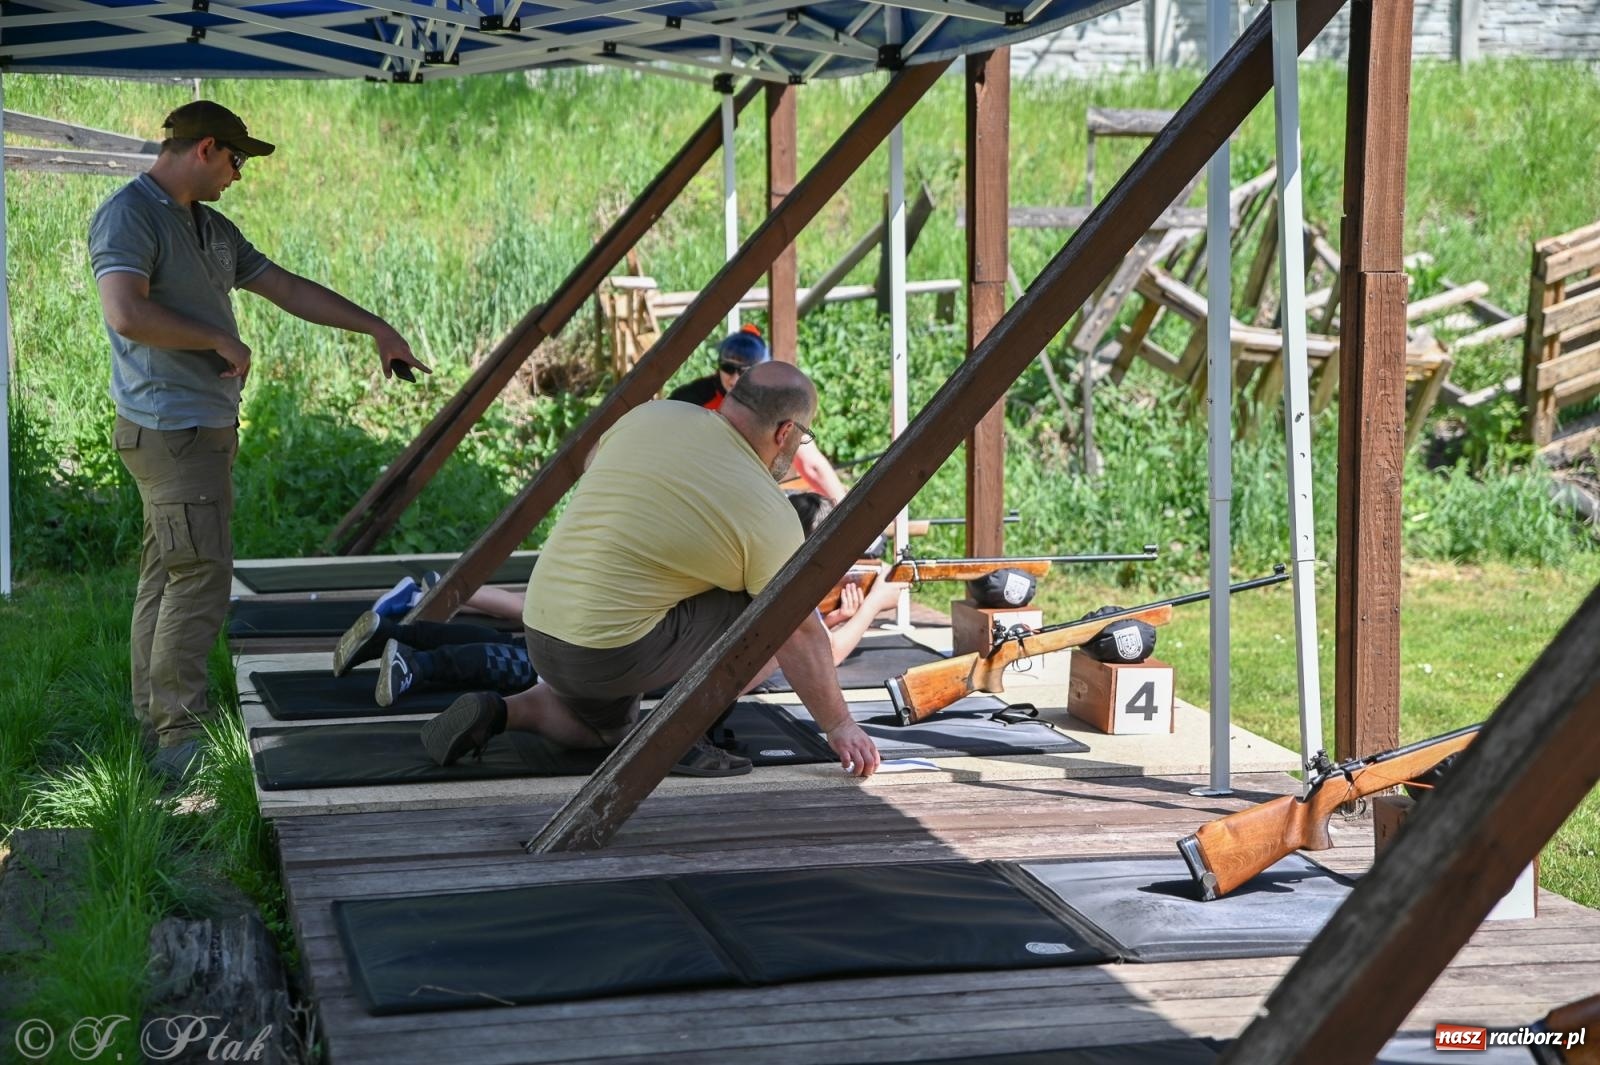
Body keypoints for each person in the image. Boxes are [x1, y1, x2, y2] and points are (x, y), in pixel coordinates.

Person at [90, 100, 431, 782]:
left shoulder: (210, 226)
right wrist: (219, 337)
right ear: (205, 148)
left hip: (197, 429)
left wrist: (376, 327)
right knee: (199, 578)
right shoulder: (129, 215)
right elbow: (126, 312)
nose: (240, 174)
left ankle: (154, 721)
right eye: (236, 159)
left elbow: (285, 287)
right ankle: (180, 742)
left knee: (170, 573)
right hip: (171, 429)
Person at [418, 362, 883, 778]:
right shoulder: (767, 510)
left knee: (603, 732)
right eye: (804, 437)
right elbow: (796, 630)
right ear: (785, 432)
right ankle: (681, 732)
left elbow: (594, 463)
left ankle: (501, 711)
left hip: (541, 630)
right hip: (609, 652)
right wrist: (839, 724)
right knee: (776, 603)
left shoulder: (651, 415)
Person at [336, 493, 907, 708]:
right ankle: (419, 664)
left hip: (616, 610)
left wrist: (838, 612)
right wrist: (870, 607)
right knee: (531, 672)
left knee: (528, 645)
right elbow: (820, 655)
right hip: (647, 662)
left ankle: (396, 635)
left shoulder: (744, 547)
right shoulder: (779, 588)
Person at [668, 326, 848, 503]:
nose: (735, 379)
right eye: (728, 368)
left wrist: (842, 505)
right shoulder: (693, 398)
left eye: (744, 371)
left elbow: (812, 464)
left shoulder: (778, 401)